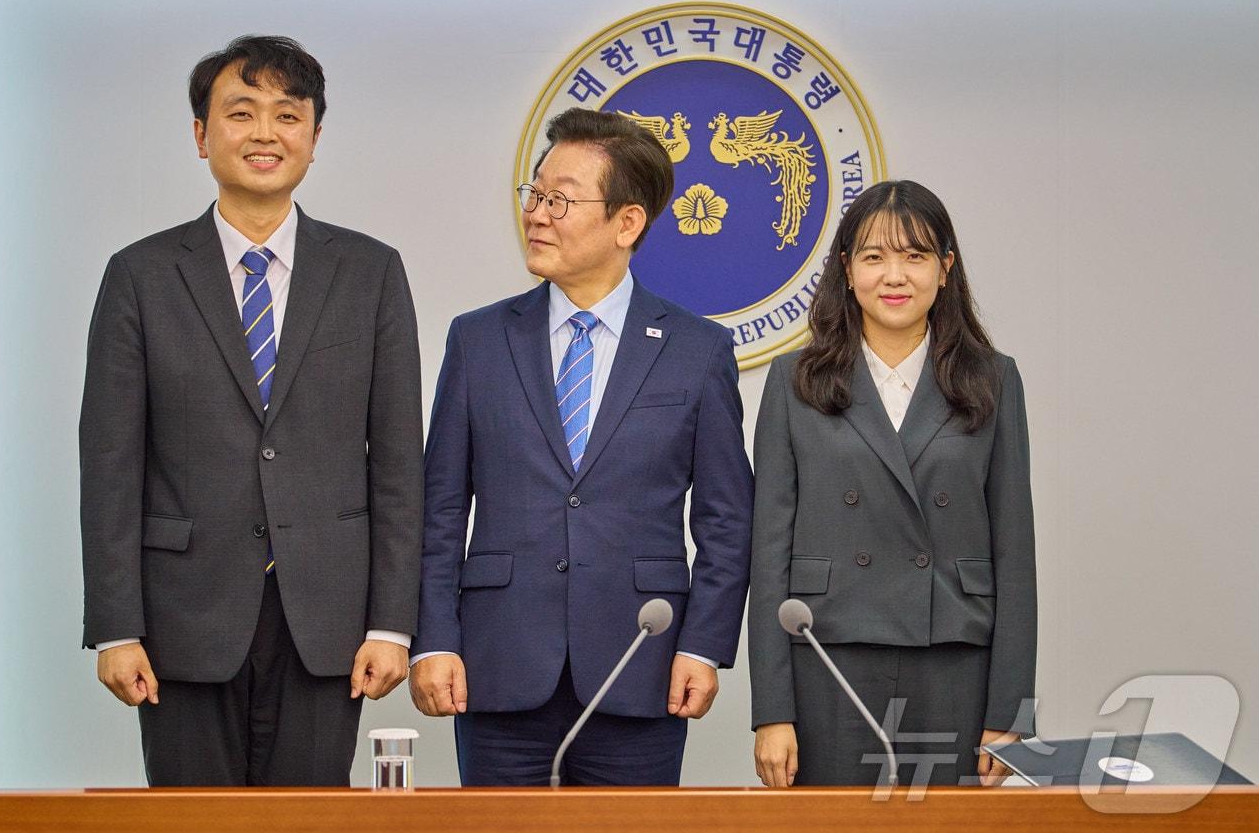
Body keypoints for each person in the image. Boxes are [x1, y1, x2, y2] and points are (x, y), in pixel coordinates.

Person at [79, 35, 423, 786]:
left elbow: (400, 463)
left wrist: (392, 624)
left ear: (314, 139)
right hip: (181, 618)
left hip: (328, 618)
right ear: (201, 136)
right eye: (241, 113)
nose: (265, 133)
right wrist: (117, 627)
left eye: (287, 115)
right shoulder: (140, 276)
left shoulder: (370, 272)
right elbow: (110, 463)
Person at [409, 107, 753, 786]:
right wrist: (436, 638)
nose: (536, 214)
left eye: (559, 200)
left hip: (640, 664)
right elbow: (440, 509)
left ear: (627, 222)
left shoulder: (696, 350)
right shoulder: (478, 341)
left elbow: (726, 519)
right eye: (534, 195)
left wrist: (704, 647)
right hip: (498, 663)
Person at [748, 180, 1036, 788]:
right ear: (847, 269)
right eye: (875, 257)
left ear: (946, 268)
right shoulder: (794, 380)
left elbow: (1016, 552)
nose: (894, 275)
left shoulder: (993, 379)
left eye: (915, 255)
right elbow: (767, 553)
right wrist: (772, 711)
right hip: (828, 658)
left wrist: (1010, 713)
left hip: (956, 661)